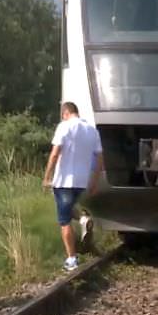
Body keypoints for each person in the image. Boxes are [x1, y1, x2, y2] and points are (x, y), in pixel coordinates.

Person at [42, 102, 105, 271]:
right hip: (82, 182)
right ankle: (84, 220)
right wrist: (94, 182)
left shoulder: (64, 126)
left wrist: (47, 177)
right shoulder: (92, 130)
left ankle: (71, 259)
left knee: (64, 221)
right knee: (69, 207)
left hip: (63, 182)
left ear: (65, 113)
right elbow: (100, 158)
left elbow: (55, 153)